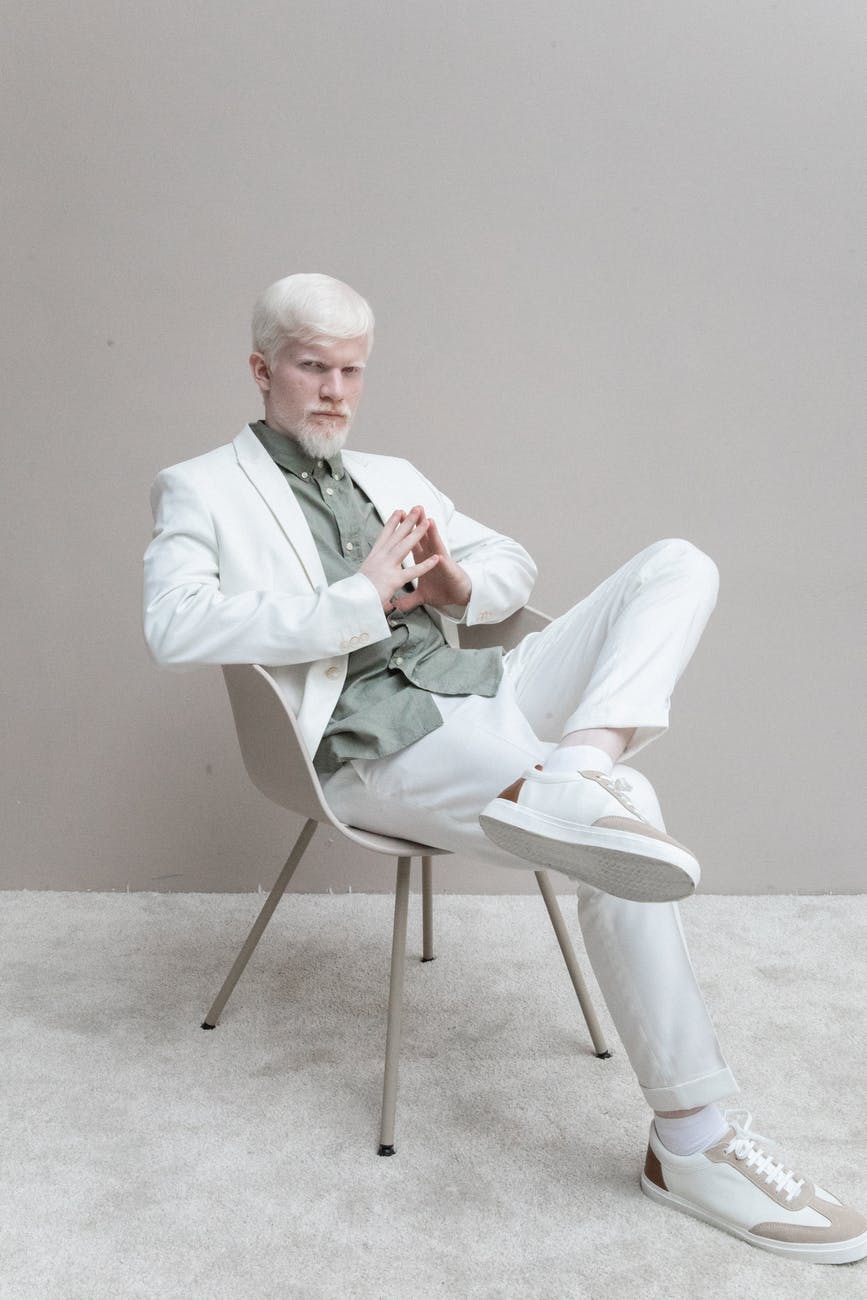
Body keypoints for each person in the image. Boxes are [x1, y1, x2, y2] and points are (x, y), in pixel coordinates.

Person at [143, 272, 866, 1265]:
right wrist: (353, 597)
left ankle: (573, 765)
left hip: (484, 690)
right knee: (636, 806)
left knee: (677, 563)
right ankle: (695, 1139)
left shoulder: (391, 472)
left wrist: (452, 580)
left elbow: (513, 568)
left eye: (352, 369)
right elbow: (175, 624)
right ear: (264, 368)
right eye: (314, 366)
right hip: (373, 741)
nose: (336, 391)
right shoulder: (202, 487)